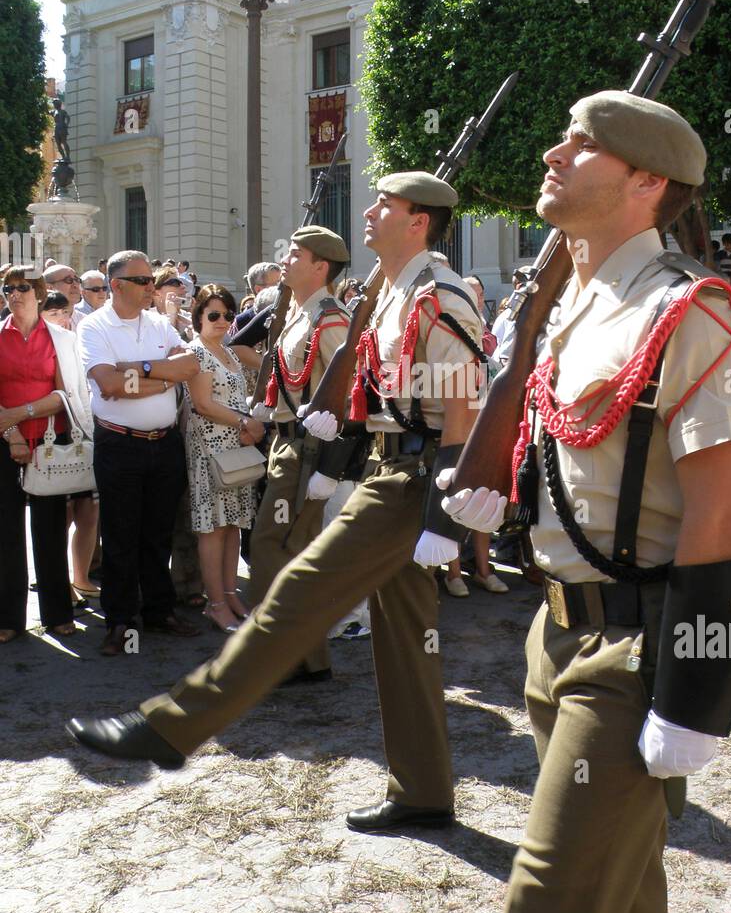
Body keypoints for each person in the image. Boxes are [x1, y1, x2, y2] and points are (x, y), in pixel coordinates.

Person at [440, 91, 731, 913]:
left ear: (646, 179)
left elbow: (725, 510)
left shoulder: (686, 308)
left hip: (631, 659)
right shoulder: (575, 302)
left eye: (581, 144)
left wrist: (691, 693)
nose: (552, 152)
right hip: (554, 637)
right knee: (619, 906)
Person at [67, 174, 484, 838]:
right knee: (407, 641)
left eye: (385, 205)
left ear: (419, 222)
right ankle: (425, 790)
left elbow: (463, 406)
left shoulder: (440, 295)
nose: (369, 212)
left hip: (414, 479)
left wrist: (443, 512)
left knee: (295, 590)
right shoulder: (392, 292)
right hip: (389, 462)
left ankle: (174, 726)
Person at [77, 250, 202, 656]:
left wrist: (142, 370)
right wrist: (162, 376)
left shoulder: (159, 323)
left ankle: (157, 611)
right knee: (120, 536)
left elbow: (188, 367)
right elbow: (109, 384)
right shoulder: (95, 327)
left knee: (157, 533)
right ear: (116, 285)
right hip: (119, 443)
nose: (153, 286)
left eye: (151, 280)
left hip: (164, 443)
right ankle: (119, 620)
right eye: (144, 281)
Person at [240, 225, 350, 674]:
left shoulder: (330, 318)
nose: (285, 259)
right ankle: (305, 657)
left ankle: (286, 656)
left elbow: (348, 393)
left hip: (307, 450)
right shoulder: (302, 314)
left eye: (296, 254)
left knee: (273, 546)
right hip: (288, 444)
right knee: (287, 549)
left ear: (320, 266)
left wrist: (332, 464)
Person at [0, 267, 88, 640]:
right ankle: (7, 618)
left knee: (50, 530)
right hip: (4, 442)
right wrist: (12, 432)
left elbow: (66, 396)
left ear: (38, 293)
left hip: (51, 443)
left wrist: (21, 414)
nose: (14, 294)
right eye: (8, 288)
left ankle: (57, 614)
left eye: (23, 288)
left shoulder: (60, 339)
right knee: (5, 533)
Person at [184, 285, 265, 634]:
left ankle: (231, 595)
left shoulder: (229, 353)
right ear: (198, 315)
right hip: (208, 448)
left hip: (237, 448)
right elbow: (202, 403)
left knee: (233, 525)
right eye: (213, 314)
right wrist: (245, 421)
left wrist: (246, 424)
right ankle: (215, 603)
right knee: (213, 527)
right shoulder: (196, 352)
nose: (221, 321)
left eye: (228, 315)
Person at [444, 273, 508, 597]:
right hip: (458, 428)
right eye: (472, 294)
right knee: (456, 500)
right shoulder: (453, 331)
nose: (478, 299)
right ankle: (453, 573)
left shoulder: (485, 331)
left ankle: (483, 569)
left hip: (485, 426)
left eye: (480, 293)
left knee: (484, 498)